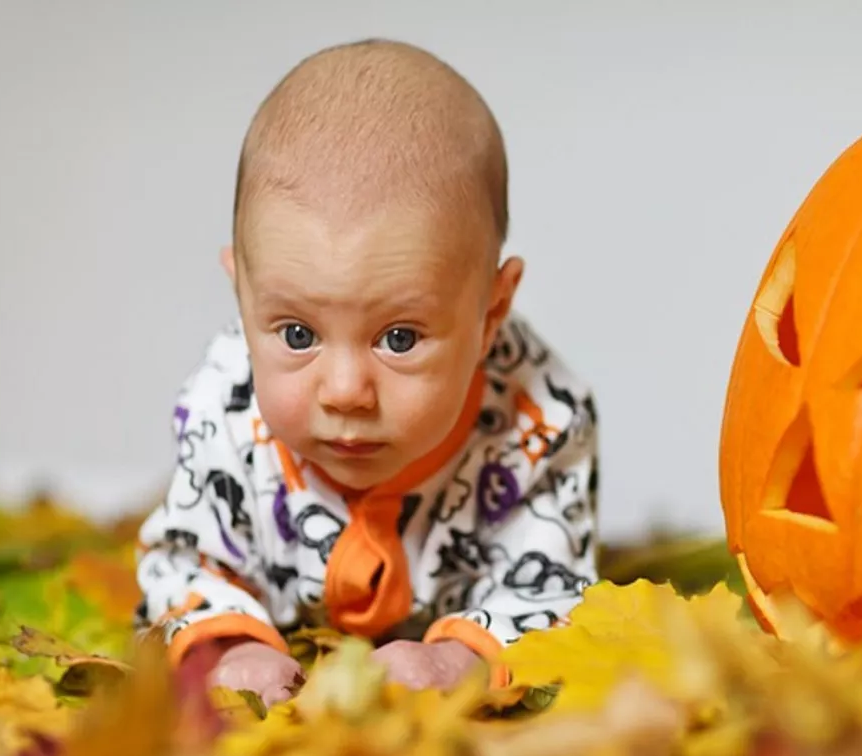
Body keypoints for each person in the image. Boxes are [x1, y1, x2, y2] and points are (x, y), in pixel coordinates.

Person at [133, 38, 599, 707]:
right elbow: (181, 559)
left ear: (490, 312)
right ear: (243, 295)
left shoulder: (540, 423)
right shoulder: (223, 411)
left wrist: (459, 658)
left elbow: (556, 583)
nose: (346, 391)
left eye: (399, 338)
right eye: (298, 334)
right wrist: (227, 643)